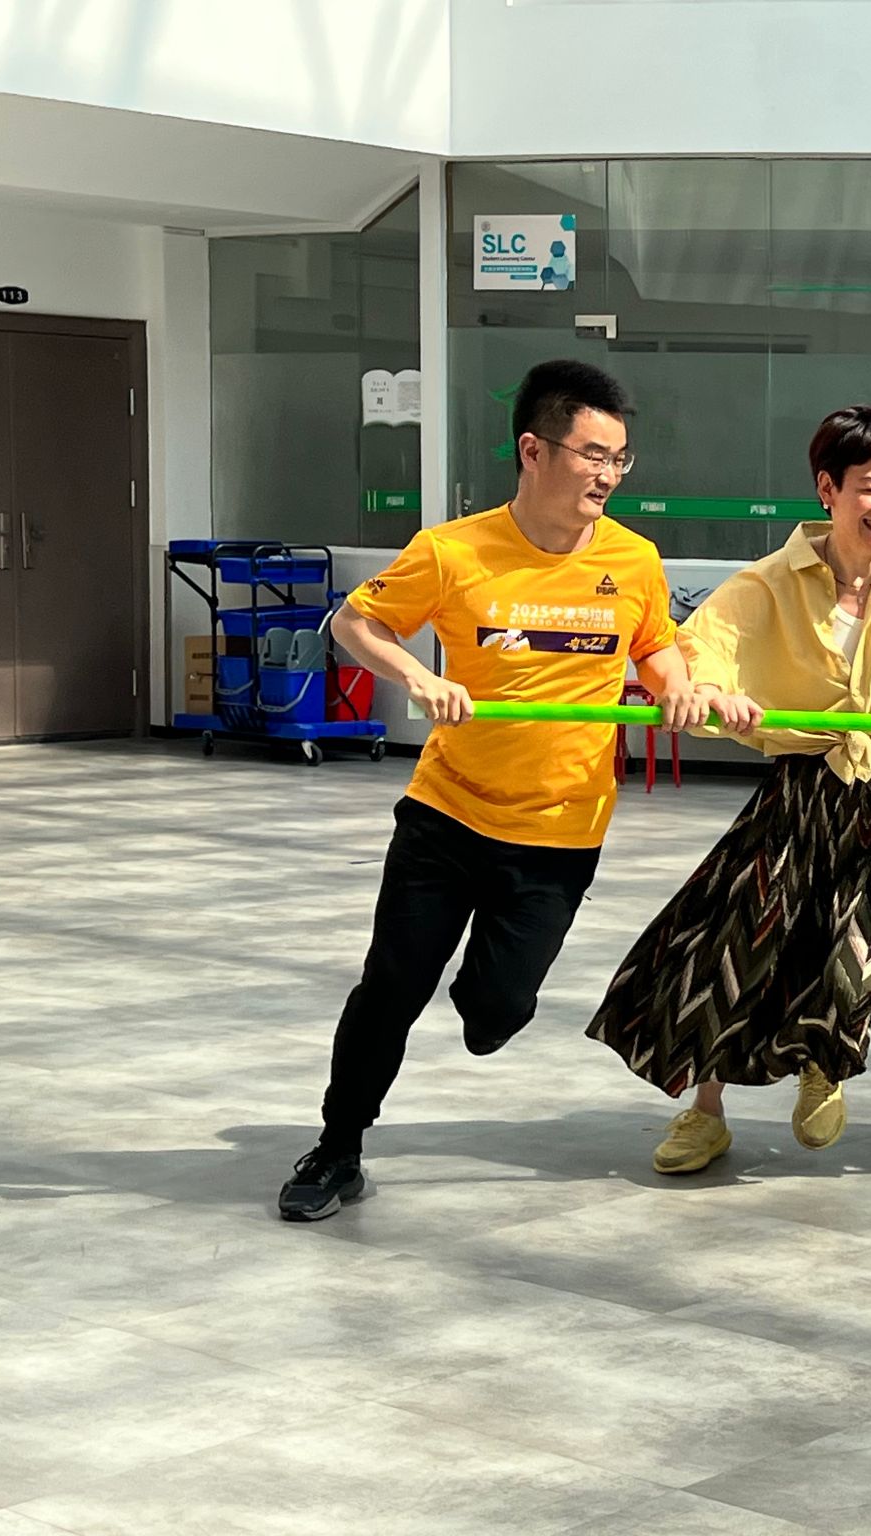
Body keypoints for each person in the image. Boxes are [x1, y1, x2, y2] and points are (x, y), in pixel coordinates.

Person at [278, 360, 714, 1221]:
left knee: (496, 1011)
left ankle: (485, 1001)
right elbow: (356, 621)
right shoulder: (453, 551)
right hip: (447, 814)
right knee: (391, 986)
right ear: (533, 450)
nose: (608, 475)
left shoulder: (633, 560)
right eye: (592, 455)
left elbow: (655, 645)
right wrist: (418, 676)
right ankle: (337, 1148)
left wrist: (679, 688)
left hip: (561, 829)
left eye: (619, 459)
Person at [587, 405, 871, 1175]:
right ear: (827, 489)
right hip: (801, 791)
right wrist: (714, 693)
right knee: (736, 945)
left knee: (862, 949)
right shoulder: (768, 582)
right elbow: (701, 651)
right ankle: (705, 1113)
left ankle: (823, 1064)